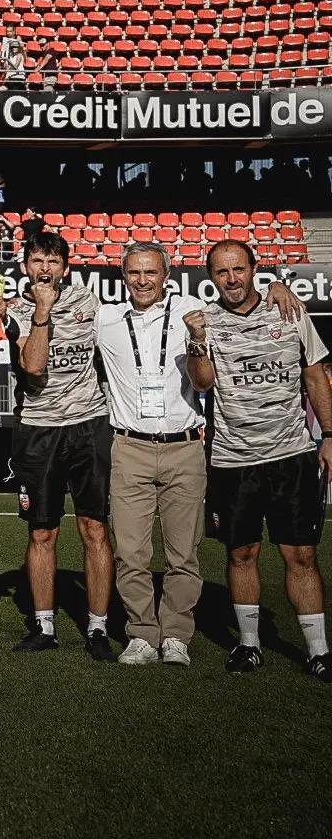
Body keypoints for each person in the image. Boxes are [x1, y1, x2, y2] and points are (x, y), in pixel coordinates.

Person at [187, 241, 332, 681]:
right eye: (221, 271)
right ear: (210, 276)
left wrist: (330, 434)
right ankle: (249, 645)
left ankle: (318, 651)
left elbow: (315, 375)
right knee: (241, 553)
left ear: (254, 269)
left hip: (291, 454)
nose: (231, 279)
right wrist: (196, 342)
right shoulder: (204, 322)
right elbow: (202, 382)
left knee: (301, 555)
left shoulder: (288, 311)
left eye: (238, 269)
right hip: (233, 460)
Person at [92, 242, 206, 667]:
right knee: (131, 551)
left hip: (185, 445)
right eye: (134, 273)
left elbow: (239, 304)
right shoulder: (105, 318)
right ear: (124, 276)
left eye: (151, 273)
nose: (143, 281)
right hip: (130, 446)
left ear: (166, 275)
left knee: (183, 551)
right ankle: (141, 633)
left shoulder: (192, 309)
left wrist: (278, 291)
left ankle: (176, 634)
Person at [2, 231, 114, 660]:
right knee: (43, 531)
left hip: (88, 425)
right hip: (39, 429)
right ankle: (44, 625)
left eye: (52, 260)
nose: (44, 268)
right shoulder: (13, 312)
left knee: (95, 529)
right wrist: (42, 312)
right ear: (25, 267)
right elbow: (33, 366)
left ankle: (99, 627)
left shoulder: (89, 302)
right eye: (36, 261)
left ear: (65, 267)